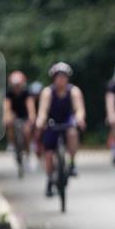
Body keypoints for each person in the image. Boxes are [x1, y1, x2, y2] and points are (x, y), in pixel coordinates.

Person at [35, 62, 86, 197]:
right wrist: (40, 121)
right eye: (58, 77)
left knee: (73, 133)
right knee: (49, 154)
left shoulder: (74, 91)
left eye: (64, 77)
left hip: (68, 121)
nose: (61, 79)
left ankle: (72, 163)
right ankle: (49, 179)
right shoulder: (48, 92)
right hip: (52, 122)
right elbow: (43, 111)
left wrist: (79, 118)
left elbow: (79, 109)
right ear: (54, 78)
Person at [4, 70, 36, 157]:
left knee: (27, 131)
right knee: (9, 123)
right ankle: (11, 143)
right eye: (15, 85)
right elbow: (7, 107)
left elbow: (30, 106)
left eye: (18, 85)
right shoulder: (8, 94)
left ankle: (29, 150)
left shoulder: (27, 93)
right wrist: (7, 117)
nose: (16, 87)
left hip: (25, 115)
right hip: (14, 115)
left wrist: (31, 118)